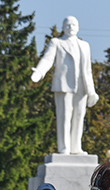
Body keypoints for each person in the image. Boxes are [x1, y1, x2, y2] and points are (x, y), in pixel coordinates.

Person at [31, 16, 99, 155]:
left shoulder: (84, 45)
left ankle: (76, 147)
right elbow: (48, 59)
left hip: (82, 86)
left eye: (73, 25)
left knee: (79, 117)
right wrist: (39, 72)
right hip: (63, 85)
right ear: (63, 27)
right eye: (67, 25)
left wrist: (92, 91)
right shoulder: (57, 43)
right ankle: (64, 147)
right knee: (64, 117)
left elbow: (88, 70)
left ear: (78, 27)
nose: (70, 27)